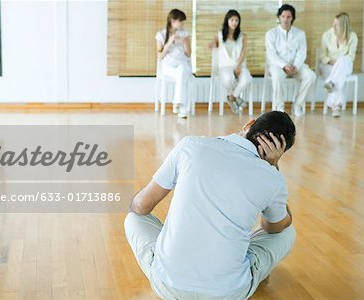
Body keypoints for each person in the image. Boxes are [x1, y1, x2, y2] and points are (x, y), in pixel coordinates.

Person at [125, 111, 297, 299]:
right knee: (288, 232)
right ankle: (251, 271)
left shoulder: (190, 146)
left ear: (249, 124)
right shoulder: (272, 177)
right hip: (228, 293)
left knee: (134, 217)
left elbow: (140, 206)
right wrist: (272, 168)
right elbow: (272, 227)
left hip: (168, 287)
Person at [265, 4, 316, 117]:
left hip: (296, 66)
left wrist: (296, 66)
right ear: (279, 17)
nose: (285, 19)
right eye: (283, 16)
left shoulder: (300, 33)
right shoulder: (271, 34)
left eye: (288, 17)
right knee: (277, 77)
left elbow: (302, 52)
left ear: (292, 18)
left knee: (311, 76)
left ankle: (297, 105)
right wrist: (284, 66)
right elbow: (271, 54)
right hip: (278, 66)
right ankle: (279, 108)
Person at [209, 10, 253, 114]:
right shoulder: (220, 35)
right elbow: (214, 44)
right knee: (228, 78)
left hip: (239, 65)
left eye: (236, 20)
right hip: (224, 66)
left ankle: (232, 97)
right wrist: (211, 45)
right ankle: (236, 98)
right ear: (227, 21)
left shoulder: (242, 36)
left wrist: (238, 66)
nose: (234, 22)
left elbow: (243, 53)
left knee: (247, 77)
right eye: (232, 20)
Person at [156, 9, 193, 119]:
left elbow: (188, 54)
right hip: (168, 67)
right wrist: (169, 42)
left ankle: (178, 103)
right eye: (180, 21)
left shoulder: (185, 35)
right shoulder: (161, 34)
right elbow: (160, 56)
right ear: (173, 21)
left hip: (182, 64)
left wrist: (183, 41)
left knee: (182, 71)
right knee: (182, 74)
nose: (182, 24)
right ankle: (181, 108)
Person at [319, 12, 358, 117]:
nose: (333, 26)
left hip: (345, 66)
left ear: (344, 25)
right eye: (333, 23)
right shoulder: (327, 35)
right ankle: (336, 106)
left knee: (342, 60)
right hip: (328, 66)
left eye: (337, 24)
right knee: (338, 75)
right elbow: (322, 57)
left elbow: (351, 57)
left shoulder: (352, 37)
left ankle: (330, 83)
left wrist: (339, 62)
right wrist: (332, 62)